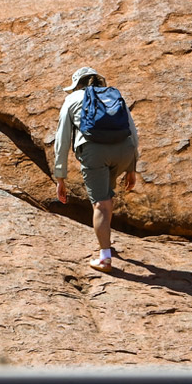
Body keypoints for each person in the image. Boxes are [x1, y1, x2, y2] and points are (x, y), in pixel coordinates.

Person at [53, 67, 140, 273]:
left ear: (77, 85)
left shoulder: (72, 99)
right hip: (124, 151)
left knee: (100, 203)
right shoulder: (112, 96)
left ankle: (105, 258)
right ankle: (106, 241)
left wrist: (60, 177)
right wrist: (131, 167)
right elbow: (132, 131)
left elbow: (62, 139)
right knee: (107, 196)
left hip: (94, 152)